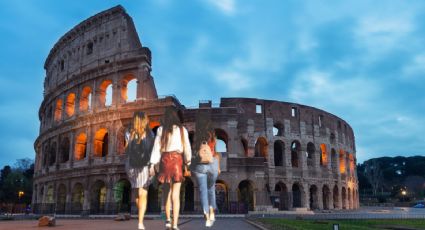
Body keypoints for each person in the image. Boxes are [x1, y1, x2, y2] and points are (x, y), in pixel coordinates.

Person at [149, 107, 191, 230]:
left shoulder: (161, 129)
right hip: (177, 161)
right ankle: (175, 224)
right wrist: (188, 162)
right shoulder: (183, 130)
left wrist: (152, 164)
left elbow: (156, 148)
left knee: (167, 194)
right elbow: (187, 147)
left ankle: (168, 221)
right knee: (176, 195)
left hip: (165, 161)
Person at [125, 111, 155, 230]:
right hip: (144, 165)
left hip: (131, 165)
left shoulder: (129, 132)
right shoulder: (150, 133)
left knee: (137, 192)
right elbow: (152, 150)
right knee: (143, 193)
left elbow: (127, 149)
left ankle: (140, 215)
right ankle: (140, 222)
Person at [191, 112, 221, 227]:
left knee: (203, 191)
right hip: (212, 164)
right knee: (211, 189)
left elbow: (195, 152)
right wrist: (217, 167)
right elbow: (216, 153)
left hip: (200, 165)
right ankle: (212, 211)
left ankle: (207, 215)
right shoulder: (213, 136)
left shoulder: (197, 136)